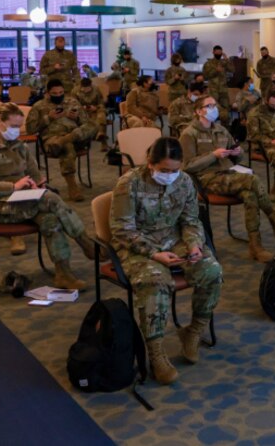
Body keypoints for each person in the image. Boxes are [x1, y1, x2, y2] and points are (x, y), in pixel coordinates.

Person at [110, 136, 222, 385]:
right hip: (138, 246)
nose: (170, 175)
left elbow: (191, 220)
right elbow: (121, 229)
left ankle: (192, 332)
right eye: (164, 170)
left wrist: (193, 244)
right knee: (155, 281)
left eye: (175, 169)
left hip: (174, 240)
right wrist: (153, 253)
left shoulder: (184, 182)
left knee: (211, 270)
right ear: (150, 163)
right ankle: (156, 352)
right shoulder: (129, 183)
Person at [0, 102, 98, 289]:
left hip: (21, 201)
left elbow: (35, 175)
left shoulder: (18, 145)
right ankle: (85, 241)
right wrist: (13, 187)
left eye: (19, 126)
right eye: (13, 126)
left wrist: (37, 183)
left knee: (50, 219)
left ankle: (63, 273)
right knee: (48, 198)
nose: (17, 131)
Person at [181, 95, 275, 262]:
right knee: (253, 180)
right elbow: (187, 166)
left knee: (250, 195)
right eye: (209, 106)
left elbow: (237, 155)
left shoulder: (220, 129)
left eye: (215, 105)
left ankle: (256, 247)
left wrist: (237, 153)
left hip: (228, 173)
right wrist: (213, 155)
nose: (213, 108)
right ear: (199, 111)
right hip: (206, 178)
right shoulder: (189, 133)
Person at [25, 78, 96, 202]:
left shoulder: (72, 102)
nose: (58, 95)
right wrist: (48, 118)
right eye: (55, 94)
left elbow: (85, 123)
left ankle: (66, 139)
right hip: (53, 140)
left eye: (61, 93)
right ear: (47, 93)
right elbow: (30, 129)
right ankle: (72, 186)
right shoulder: (39, 106)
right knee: (67, 146)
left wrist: (76, 118)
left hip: (75, 137)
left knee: (94, 125)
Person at [73, 77, 108, 148]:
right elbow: (73, 105)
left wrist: (96, 107)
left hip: (94, 110)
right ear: (81, 86)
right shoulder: (75, 91)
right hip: (81, 112)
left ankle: (101, 135)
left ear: (91, 85)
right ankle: (84, 141)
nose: (86, 90)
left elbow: (101, 102)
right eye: (84, 88)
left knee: (101, 115)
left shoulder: (96, 89)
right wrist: (82, 108)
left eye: (88, 88)